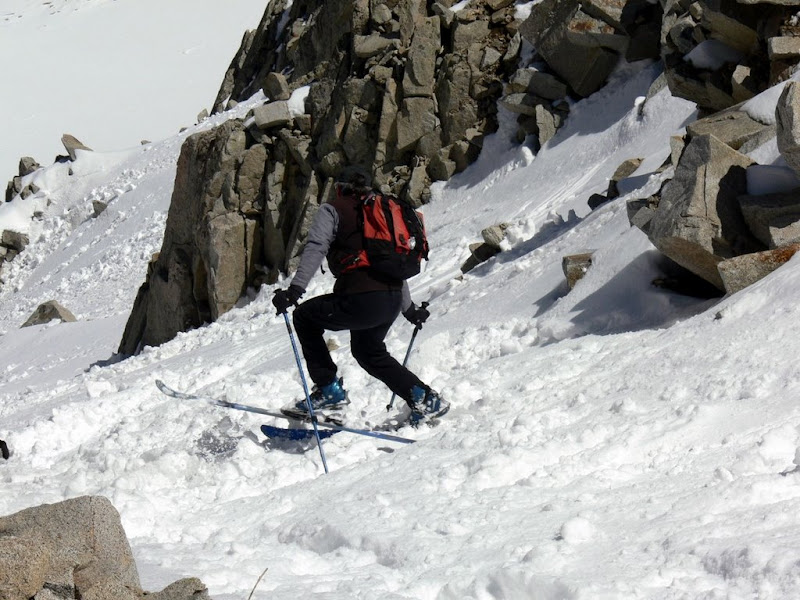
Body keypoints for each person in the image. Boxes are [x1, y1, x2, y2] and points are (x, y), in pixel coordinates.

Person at [272, 169, 449, 426]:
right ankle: (425, 398)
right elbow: (392, 264)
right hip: (389, 301)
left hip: (361, 297)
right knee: (368, 351)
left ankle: (329, 391)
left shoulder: (334, 209)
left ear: (340, 187)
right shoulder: (382, 216)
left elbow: (317, 246)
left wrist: (295, 290)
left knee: (304, 317)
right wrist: (409, 309)